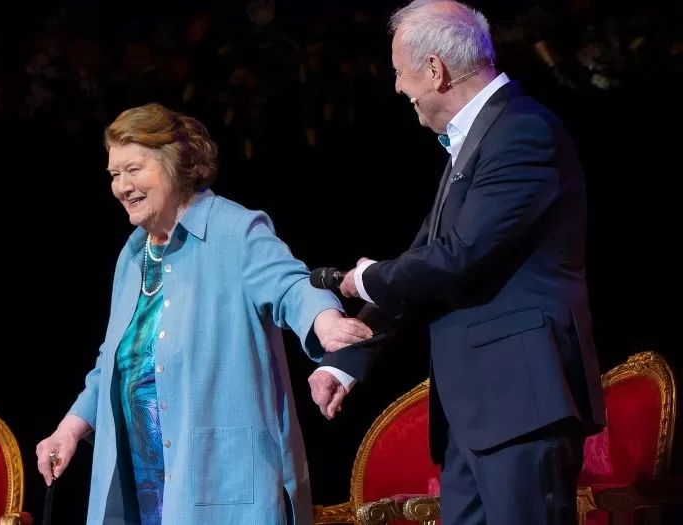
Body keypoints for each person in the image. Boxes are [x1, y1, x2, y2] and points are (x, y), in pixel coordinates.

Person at [308, 2, 606, 524]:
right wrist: (347, 361)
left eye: (400, 72)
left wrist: (365, 279)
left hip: (520, 405)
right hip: (475, 415)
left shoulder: (522, 131)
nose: (398, 88)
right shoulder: (475, 143)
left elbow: (457, 257)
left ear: (434, 70)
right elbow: (426, 261)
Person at [34, 102, 373, 525]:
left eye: (133, 169)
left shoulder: (234, 230)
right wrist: (70, 428)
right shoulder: (133, 255)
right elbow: (118, 359)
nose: (121, 186)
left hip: (220, 479)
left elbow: (291, 285)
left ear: (174, 164)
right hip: (143, 483)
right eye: (114, 174)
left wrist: (325, 321)